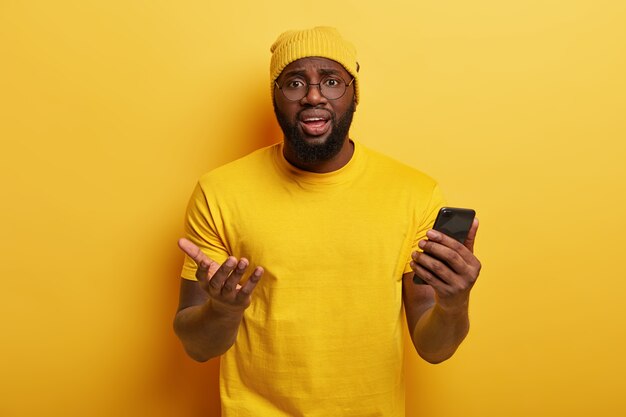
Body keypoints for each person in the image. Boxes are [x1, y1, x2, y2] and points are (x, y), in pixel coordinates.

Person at [173, 26, 481, 417]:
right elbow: (197, 348)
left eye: (332, 81)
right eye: (295, 82)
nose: (314, 96)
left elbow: (434, 349)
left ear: (354, 95)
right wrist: (223, 310)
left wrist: (454, 304)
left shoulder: (415, 194)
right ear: (275, 97)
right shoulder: (219, 192)